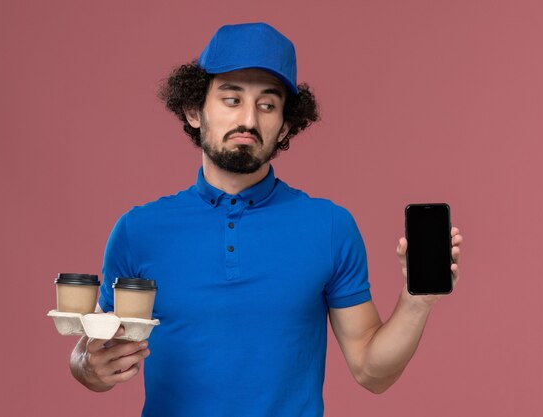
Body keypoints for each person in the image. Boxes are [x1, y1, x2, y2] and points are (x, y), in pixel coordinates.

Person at [69, 22, 463, 417]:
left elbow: (371, 372)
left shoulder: (329, 227)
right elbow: (95, 350)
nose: (249, 121)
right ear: (194, 111)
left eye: (267, 105)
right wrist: (88, 367)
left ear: (285, 125)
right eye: (231, 99)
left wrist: (416, 302)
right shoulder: (138, 231)